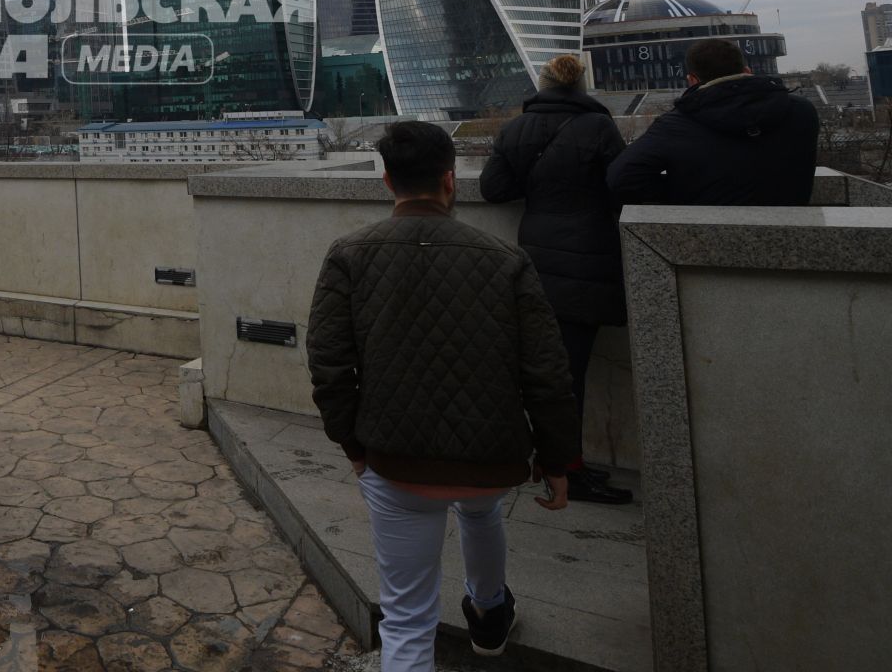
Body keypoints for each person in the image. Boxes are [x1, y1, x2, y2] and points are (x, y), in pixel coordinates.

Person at [308, 121, 578, 672]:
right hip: (490, 456)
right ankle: (488, 614)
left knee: (406, 620)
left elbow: (330, 365)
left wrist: (353, 447)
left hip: (395, 456)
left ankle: (476, 617)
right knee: (481, 513)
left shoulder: (350, 254)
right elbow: (547, 372)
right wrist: (556, 458)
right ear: (450, 181)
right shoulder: (506, 259)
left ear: (387, 182)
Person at [480, 54, 633, 505]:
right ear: (581, 84)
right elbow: (623, 184)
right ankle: (566, 466)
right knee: (570, 370)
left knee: (550, 365)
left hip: (535, 255)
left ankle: (557, 459)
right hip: (588, 255)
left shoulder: (515, 128)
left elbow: (493, 190)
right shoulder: (600, 127)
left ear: (542, 84)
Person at [607, 38, 820, 206]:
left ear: (691, 80)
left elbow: (620, 179)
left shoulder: (676, 124)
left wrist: (682, 192)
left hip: (710, 241)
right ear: (746, 71)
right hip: (799, 236)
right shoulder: (802, 110)